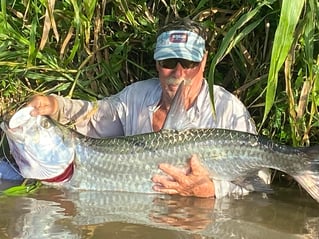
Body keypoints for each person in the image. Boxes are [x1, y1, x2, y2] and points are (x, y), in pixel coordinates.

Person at [12, 18, 263, 198]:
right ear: (156, 62)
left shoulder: (229, 109)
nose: (179, 72)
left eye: (189, 62)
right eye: (168, 62)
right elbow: (94, 116)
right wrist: (55, 105)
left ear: (204, 60)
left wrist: (211, 191)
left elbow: (261, 181)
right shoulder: (136, 96)